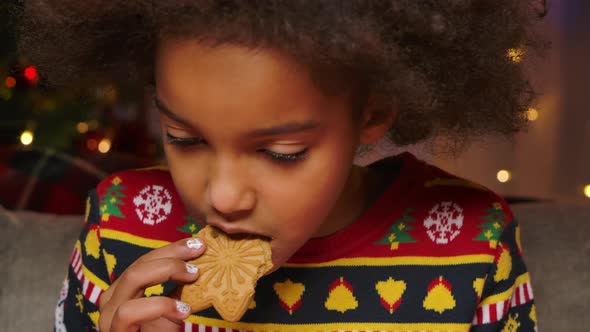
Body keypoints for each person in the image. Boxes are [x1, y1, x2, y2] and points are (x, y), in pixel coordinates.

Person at [16, 1, 547, 331]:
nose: (223, 196)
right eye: (184, 138)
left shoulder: (474, 242)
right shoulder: (121, 225)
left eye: (281, 153)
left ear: (373, 112)